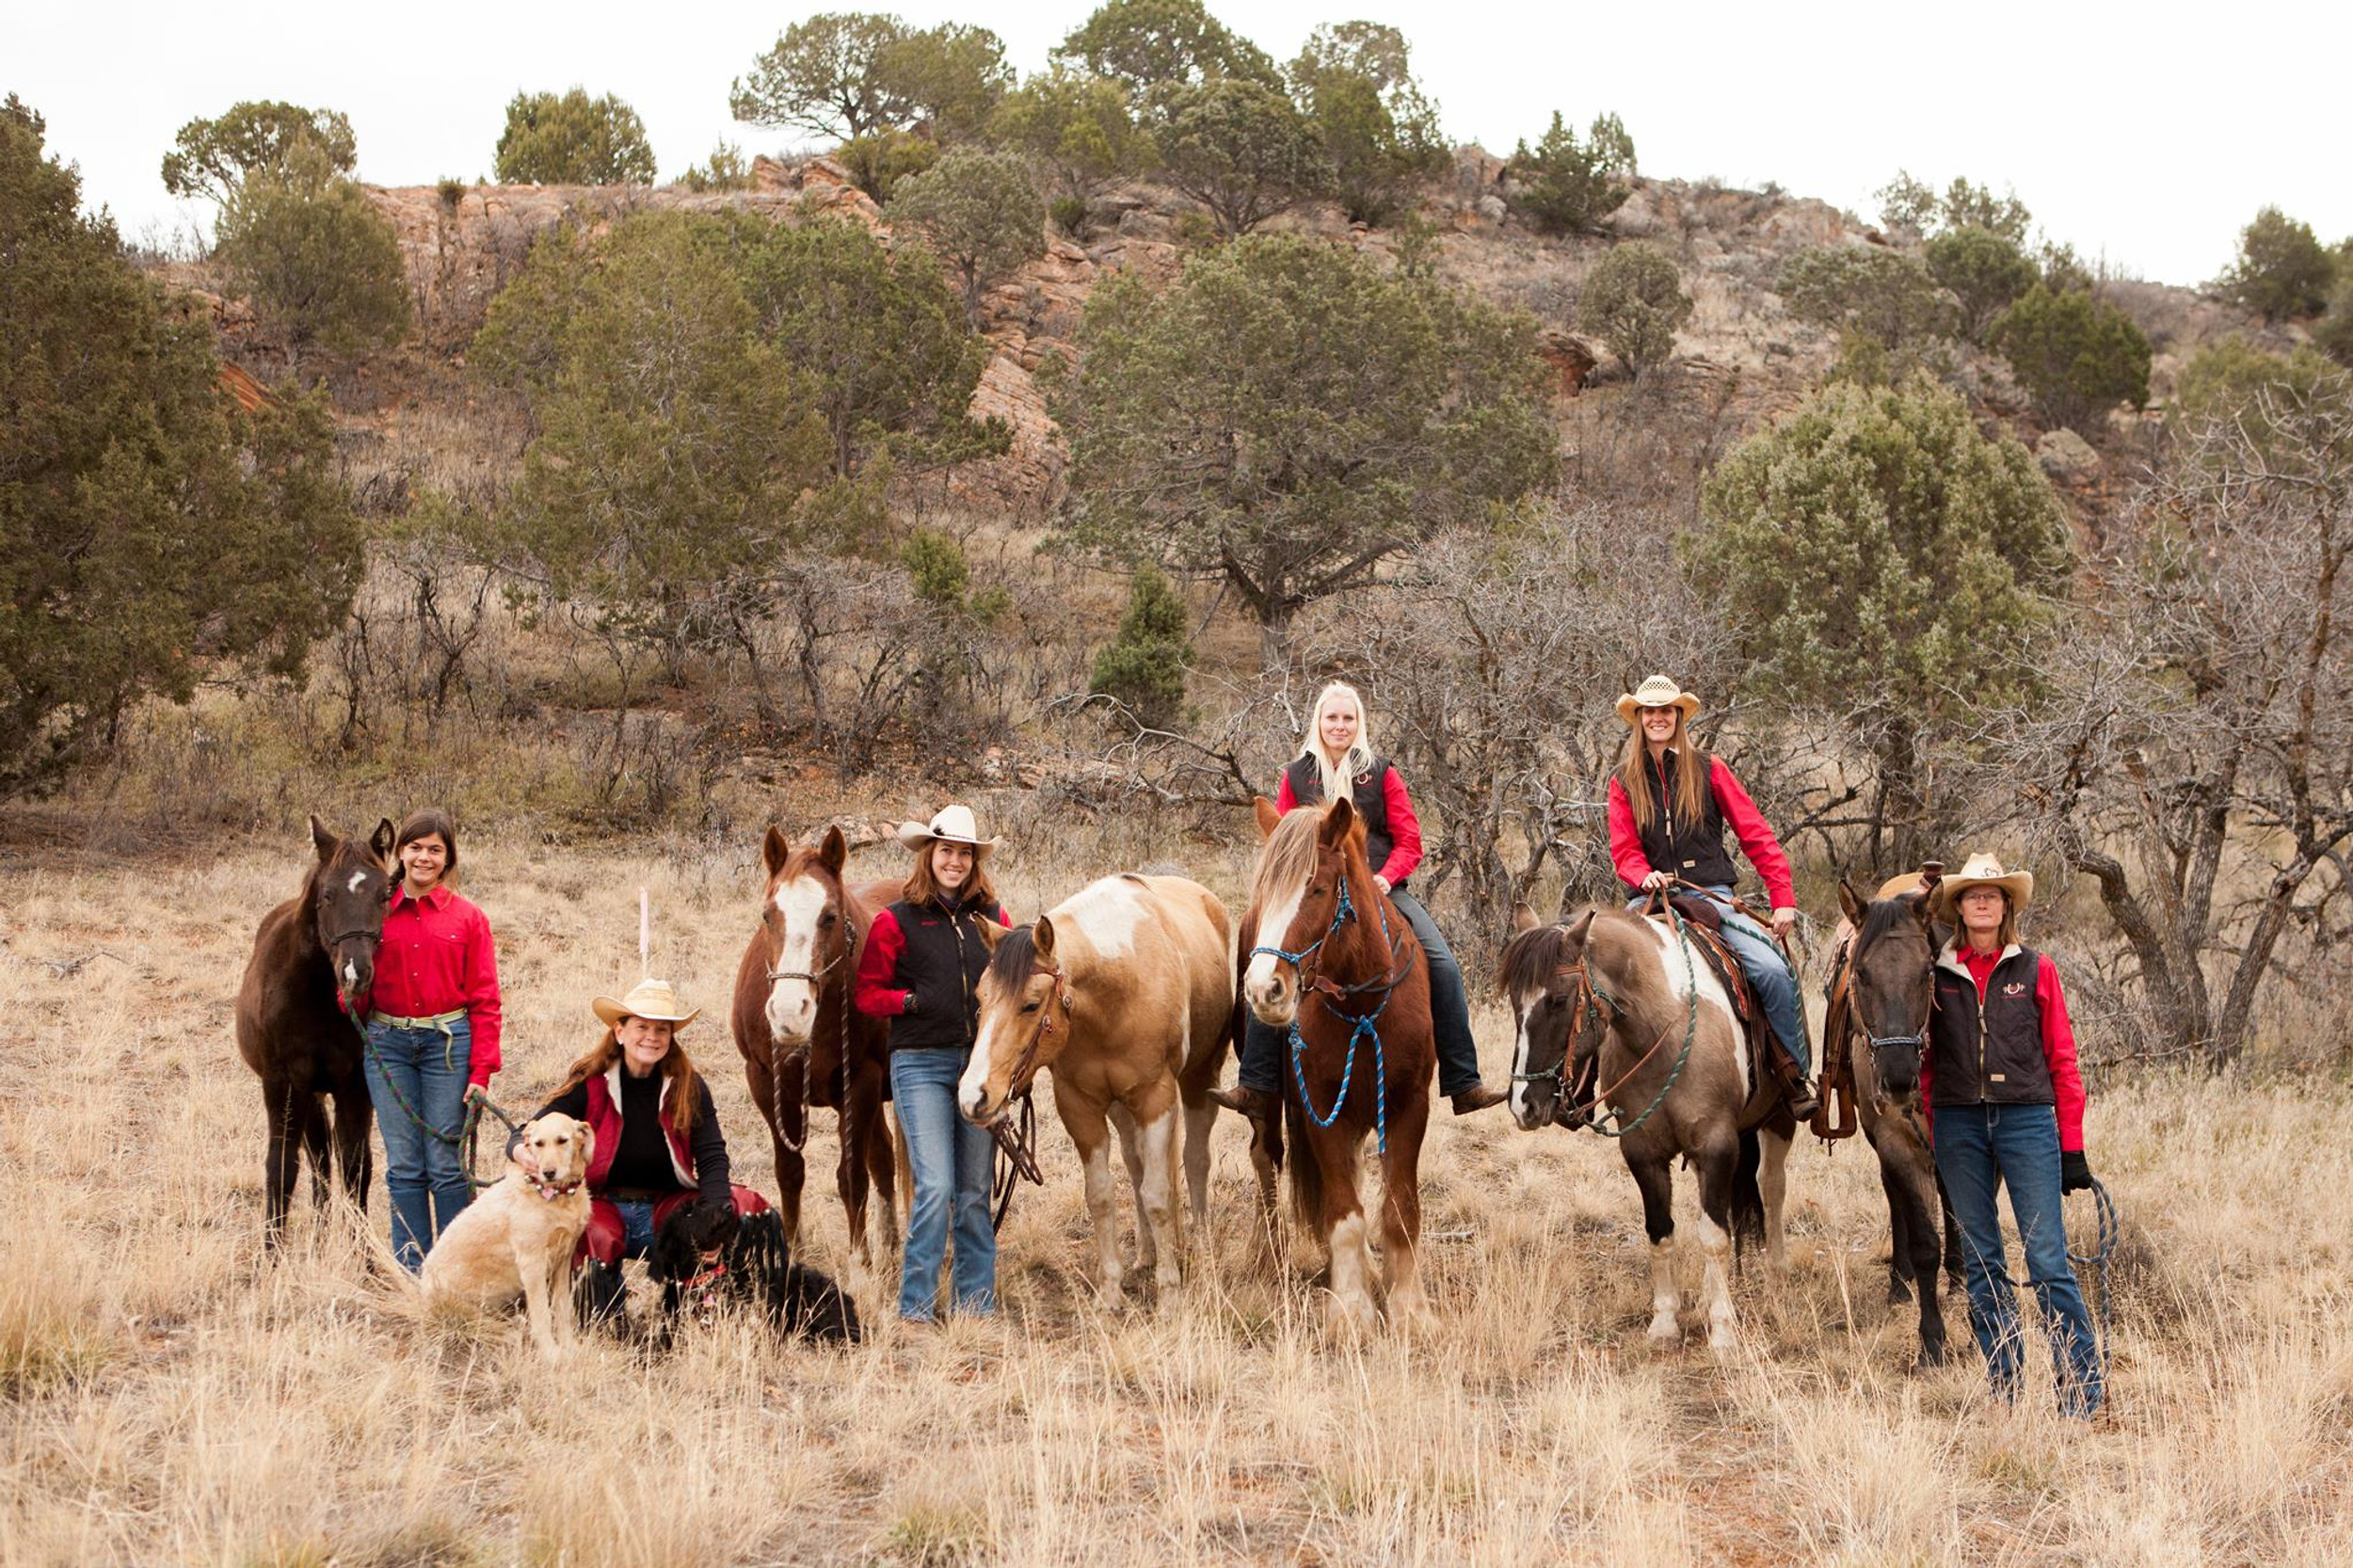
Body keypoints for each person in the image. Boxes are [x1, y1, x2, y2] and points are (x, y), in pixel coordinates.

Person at [1212, 680, 1508, 1126]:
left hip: (1380, 891)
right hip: (1309, 893)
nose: (1340, 725)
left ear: (1359, 724)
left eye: (1348, 718)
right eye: (1331, 717)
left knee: (1442, 963)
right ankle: (1256, 1082)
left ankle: (1463, 1079)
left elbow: (1409, 840)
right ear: (1318, 722)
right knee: (1264, 959)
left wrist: (1386, 877)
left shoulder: (1381, 773)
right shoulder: (1296, 775)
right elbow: (1282, 842)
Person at [1924, 853, 2105, 1416]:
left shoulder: (2034, 968)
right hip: (1959, 1123)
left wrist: (2070, 1146)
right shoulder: (1936, 972)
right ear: (1958, 905)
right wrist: (1936, 1124)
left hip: (2027, 1119)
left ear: (2006, 906)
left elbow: (2064, 1060)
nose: (1983, 900)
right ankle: (2005, 1385)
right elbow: (1924, 1064)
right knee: (1981, 1261)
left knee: (2048, 1258)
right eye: (1973, 893)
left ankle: (2078, 1391)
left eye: (1994, 894)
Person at [1604, 675, 1817, 1120]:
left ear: (1678, 716)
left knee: (1772, 971)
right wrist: (1644, 877)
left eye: (1666, 710)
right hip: (1646, 902)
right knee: (1592, 976)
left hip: (1711, 897)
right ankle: (1580, 1087)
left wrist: (1782, 898)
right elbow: (1623, 850)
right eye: (1649, 711)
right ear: (1638, 719)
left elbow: (1756, 835)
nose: (1658, 717)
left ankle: (1793, 1075)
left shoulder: (1709, 769)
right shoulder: (1623, 780)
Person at [509, 977, 768, 1328]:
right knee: (589, 1231)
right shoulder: (590, 1081)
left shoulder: (690, 1086)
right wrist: (517, 1149)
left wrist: (716, 1219)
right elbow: (535, 1127)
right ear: (619, 1031)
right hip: (602, 1203)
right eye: (641, 1026)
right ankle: (599, 1314)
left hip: (667, 1205)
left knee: (741, 1205)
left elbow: (711, 1156)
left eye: (662, 1029)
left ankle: (699, 1312)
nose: (652, 1037)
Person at [854, 804, 1010, 1325]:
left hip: (978, 1066)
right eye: (947, 851)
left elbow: (1013, 985)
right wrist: (913, 1003)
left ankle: (975, 1305)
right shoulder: (894, 921)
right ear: (929, 855)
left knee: (973, 1191)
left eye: (965, 853)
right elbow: (868, 995)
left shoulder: (993, 918)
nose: (955, 862)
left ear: (974, 861)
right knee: (936, 1186)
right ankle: (916, 1308)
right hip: (920, 1063)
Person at [364, 809, 503, 1272]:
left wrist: (481, 1071)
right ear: (400, 853)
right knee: (404, 1163)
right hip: (387, 1043)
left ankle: (458, 1268)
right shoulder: (375, 912)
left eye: (435, 850)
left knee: (446, 1163)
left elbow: (485, 1000)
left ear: (447, 859)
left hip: (448, 1045)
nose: (424, 857)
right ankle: (411, 1270)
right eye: (415, 847)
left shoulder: (468, 919)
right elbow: (352, 977)